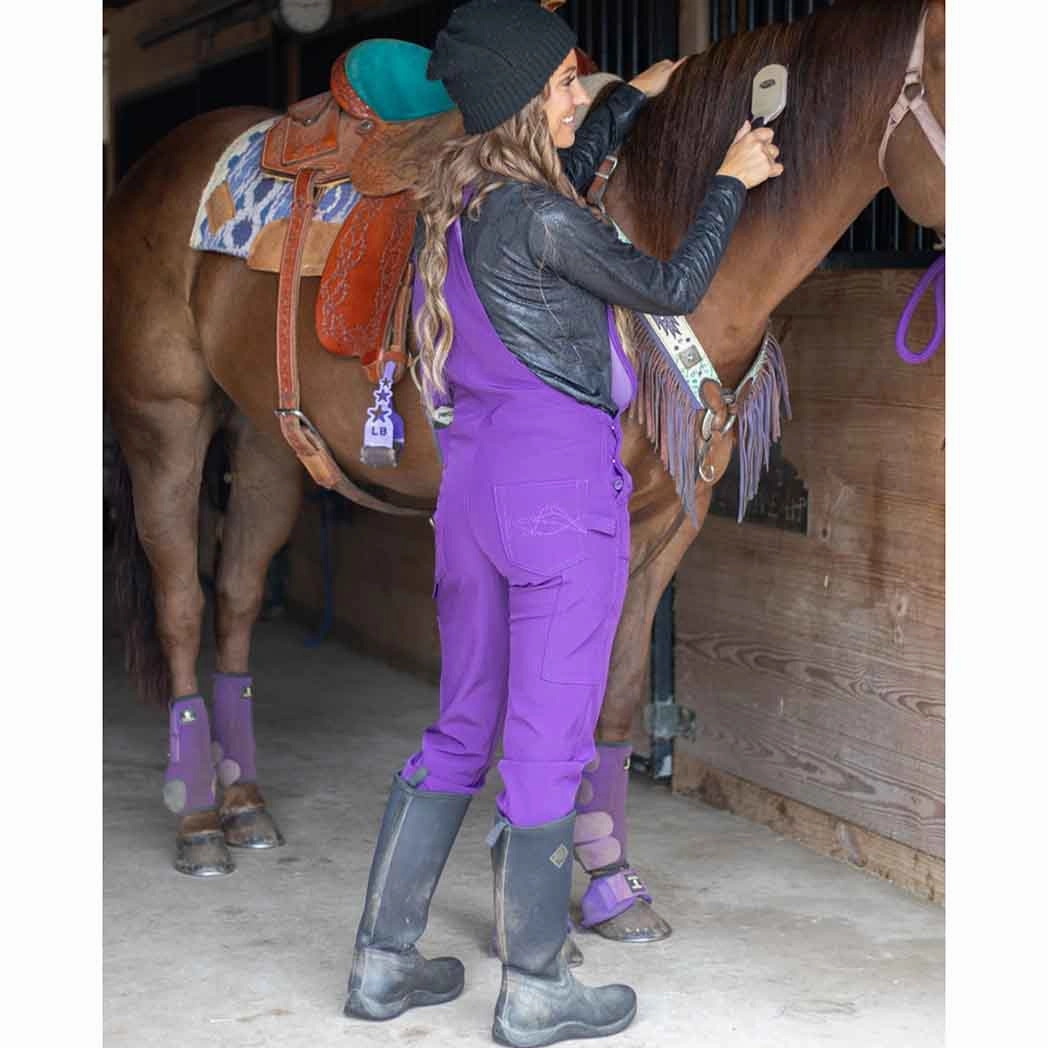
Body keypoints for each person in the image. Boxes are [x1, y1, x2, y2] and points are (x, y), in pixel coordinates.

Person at [344, 2, 783, 1044]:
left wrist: (629, 101)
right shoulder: (542, 218)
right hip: (558, 503)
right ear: (522, 104)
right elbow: (671, 284)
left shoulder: (464, 201)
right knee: (546, 748)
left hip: (471, 499)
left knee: (460, 729)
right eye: (563, 85)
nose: (577, 96)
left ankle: (381, 964)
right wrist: (731, 180)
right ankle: (537, 987)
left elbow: (567, 181)